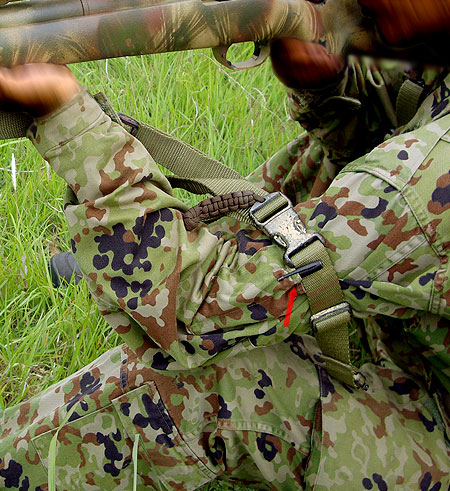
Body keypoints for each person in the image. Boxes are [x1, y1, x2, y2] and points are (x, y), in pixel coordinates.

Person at [0, 0, 449, 488]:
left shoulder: (434, 168)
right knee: (306, 173)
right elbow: (392, 130)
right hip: (411, 335)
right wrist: (325, 88)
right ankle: (151, 246)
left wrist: (69, 119)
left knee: (218, 379)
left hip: (435, 419)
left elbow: (190, 314)